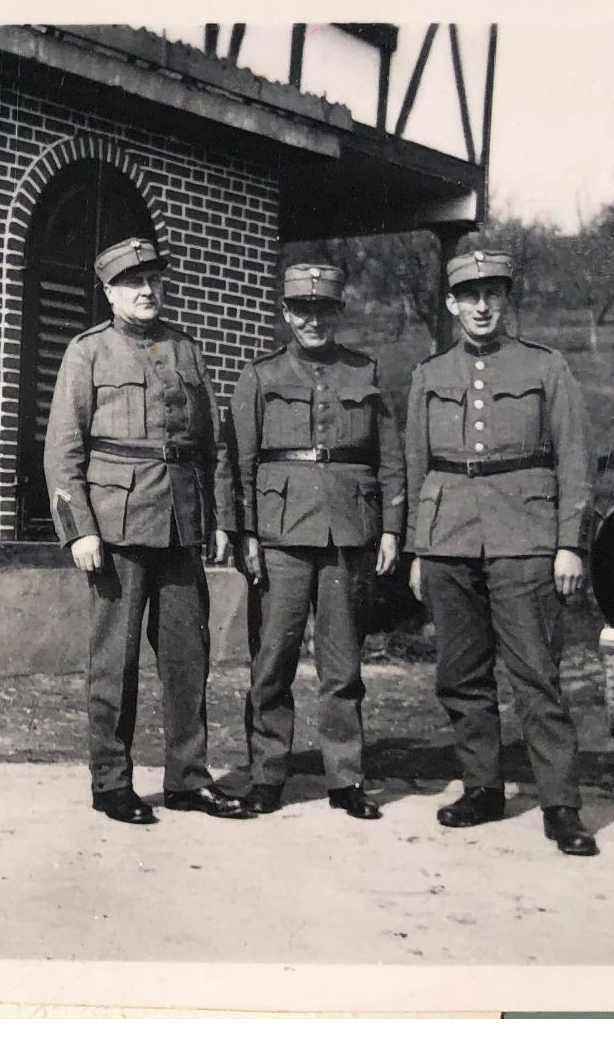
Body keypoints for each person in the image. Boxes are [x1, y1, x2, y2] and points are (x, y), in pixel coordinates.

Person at [43, 236, 251, 826]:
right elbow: (62, 451)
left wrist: (214, 520)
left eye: (155, 281)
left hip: (181, 524)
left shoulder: (183, 349)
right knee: (116, 661)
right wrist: (78, 529)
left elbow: (210, 444)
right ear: (109, 293)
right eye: (133, 283)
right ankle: (111, 782)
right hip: (116, 528)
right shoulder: (87, 353)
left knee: (189, 660)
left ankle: (188, 778)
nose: (147, 291)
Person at [403, 250, 598, 857]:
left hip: (527, 535)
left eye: (493, 294)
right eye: (470, 295)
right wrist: (418, 547)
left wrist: (570, 543)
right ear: (452, 304)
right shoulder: (429, 374)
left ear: (506, 300)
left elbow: (574, 458)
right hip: (448, 537)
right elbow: (415, 466)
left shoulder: (546, 366)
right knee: (460, 674)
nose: (482, 306)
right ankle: (483, 788)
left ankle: (561, 804)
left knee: (536, 674)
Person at [230, 263, 406, 820]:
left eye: (323, 310)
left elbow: (391, 459)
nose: (312, 320)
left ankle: (345, 778)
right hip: (281, 534)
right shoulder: (260, 376)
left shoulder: (365, 372)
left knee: (342, 663)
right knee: (272, 658)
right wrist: (247, 533)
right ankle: (266, 774)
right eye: (301, 310)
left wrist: (393, 528)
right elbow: (238, 464)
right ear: (286, 314)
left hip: (347, 531)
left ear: (338, 314)